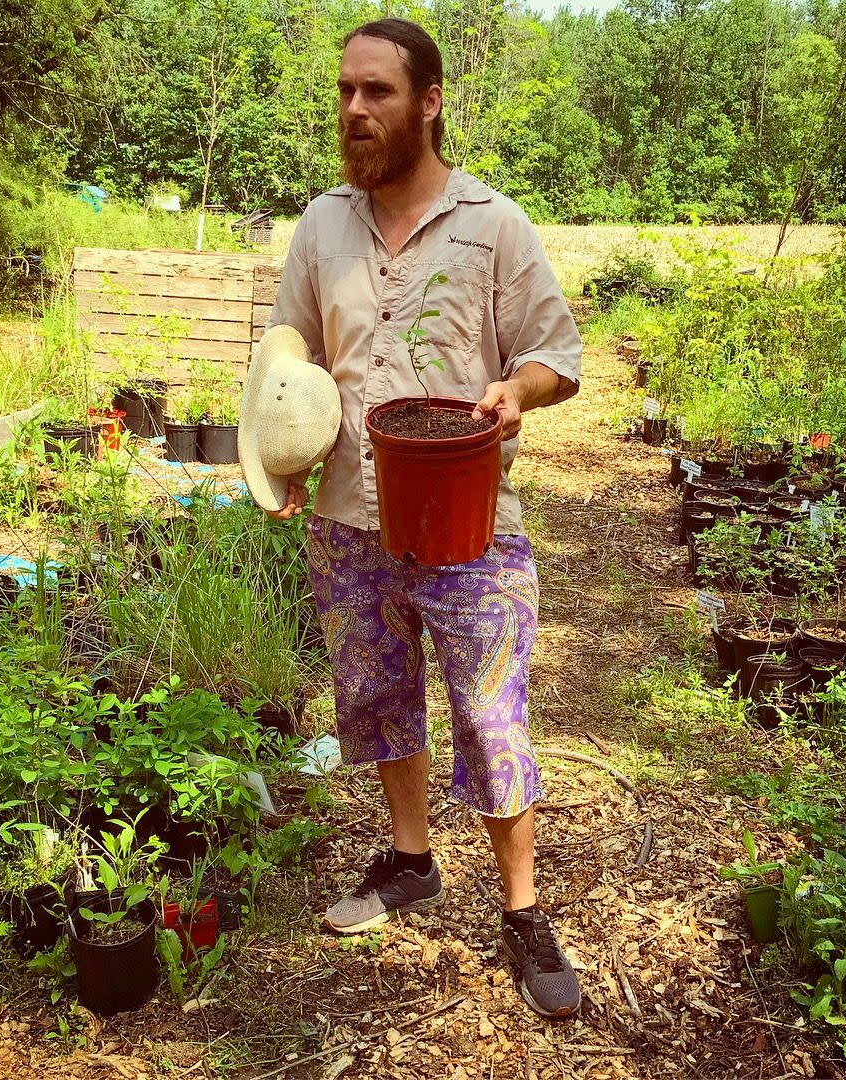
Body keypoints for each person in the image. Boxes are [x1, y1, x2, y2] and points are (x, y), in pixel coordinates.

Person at [264, 17, 583, 1019]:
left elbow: (557, 356)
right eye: (347, 93)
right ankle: (410, 859)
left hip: (470, 525)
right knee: (375, 697)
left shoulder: (495, 224)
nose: (356, 110)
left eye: (379, 93)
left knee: (492, 720)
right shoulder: (322, 225)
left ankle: (524, 913)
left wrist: (515, 395)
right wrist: (269, 434)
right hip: (350, 520)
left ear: (429, 101)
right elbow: (291, 336)